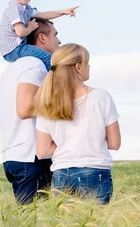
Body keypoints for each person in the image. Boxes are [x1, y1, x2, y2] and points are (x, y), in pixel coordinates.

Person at [34, 43, 121, 204]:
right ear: (78, 67)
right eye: (88, 63)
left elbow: (43, 150)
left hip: (61, 175)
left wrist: (66, 143)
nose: (90, 67)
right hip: (95, 172)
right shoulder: (101, 97)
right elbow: (114, 143)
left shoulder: (46, 102)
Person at [0, 17, 61, 205]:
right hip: (31, 156)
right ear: (42, 38)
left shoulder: (12, 68)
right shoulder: (34, 65)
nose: (59, 41)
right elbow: (25, 109)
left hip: (14, 154)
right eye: (55, 35)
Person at [0, 0, 78, 70]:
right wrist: (30, 27)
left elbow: (44, 15)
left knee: (45, 58)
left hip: (19, 47)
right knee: (48, 58)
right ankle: (54, 81)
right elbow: (21, 32)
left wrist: (63, 12)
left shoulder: (26, 8)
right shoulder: (14, 8)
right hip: (14, 49)